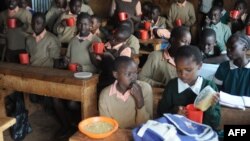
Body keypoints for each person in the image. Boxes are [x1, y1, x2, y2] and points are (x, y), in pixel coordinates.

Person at [157, 45, 221, 129]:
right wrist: (174, 112)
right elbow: (161, 112)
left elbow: (215, 124)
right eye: (178, 70)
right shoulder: (172, 86)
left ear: (200, 66)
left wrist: (211, 107)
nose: (183, 74)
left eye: (188, 70)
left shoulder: (209, 87)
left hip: (201, 133)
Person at [99, 56, 153, 129]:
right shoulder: (105, 95)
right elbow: (106, 126)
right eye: (128, 74)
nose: (134, 77)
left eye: (135, 73)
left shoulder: (145, 89)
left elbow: (147, 125)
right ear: (116, 75)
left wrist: (140, 101)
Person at [97, 26, 132, 94]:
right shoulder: (107, 44)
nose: (113, 40)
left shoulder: (125, 49)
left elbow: (121, 68)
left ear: (124, 40)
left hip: (115, 79)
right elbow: (98, 62)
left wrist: (110, 56)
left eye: (117, 40)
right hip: (104, 74)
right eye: (113, 36)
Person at [214, 32, 250, 96]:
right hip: (225, 105)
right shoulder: (223, 67)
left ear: (244, 48)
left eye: (232, 47)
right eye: (227, 47)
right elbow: (214, 91)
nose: (228, 50)